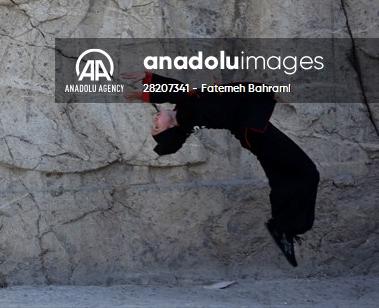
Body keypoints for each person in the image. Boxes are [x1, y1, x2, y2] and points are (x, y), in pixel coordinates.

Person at [123, 71, 319, 267]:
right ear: (171, 129)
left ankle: (284, 227)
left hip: (253, 130)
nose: (155, 120)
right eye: (157, 127)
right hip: (254, 131)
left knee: (287, 173)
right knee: (306, 172)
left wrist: (148, 80)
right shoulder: (187, 115)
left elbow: (180, 91)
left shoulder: (186, 109)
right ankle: (285, 227)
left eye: (154, 125)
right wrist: (147, 91)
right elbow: (179, 91)